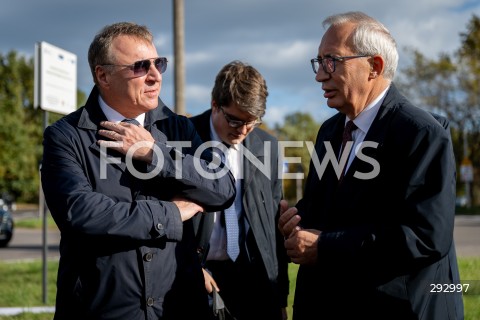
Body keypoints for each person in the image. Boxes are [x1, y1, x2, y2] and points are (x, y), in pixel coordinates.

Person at [41, 22, 235, 320]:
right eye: (141, 66)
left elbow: (222, 189)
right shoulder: (65, 136)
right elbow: (81, 213)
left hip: (177, 307)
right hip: (102, 310)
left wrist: (156, 154)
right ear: (102, 75)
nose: (155, 76)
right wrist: (170, 215)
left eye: (159, 63)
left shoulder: (179, 128)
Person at [278, 11, 463, 320]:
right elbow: (326, 208)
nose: (320, 75)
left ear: (374, 67)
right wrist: (295, 220)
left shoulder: (421, 134)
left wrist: (325, 246)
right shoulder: (329, 132)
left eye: (331, 61)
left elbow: (426, 236)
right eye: (318, 62)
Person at [190, 60, 289, 320]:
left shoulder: (268, 147)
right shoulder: (183, 139)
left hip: (254, 279)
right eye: (234, 121)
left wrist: (280, 294)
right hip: (200, 276)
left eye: (252, 122)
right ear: (215, 104)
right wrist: (188, 266)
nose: (243, 131)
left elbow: (274, 225)